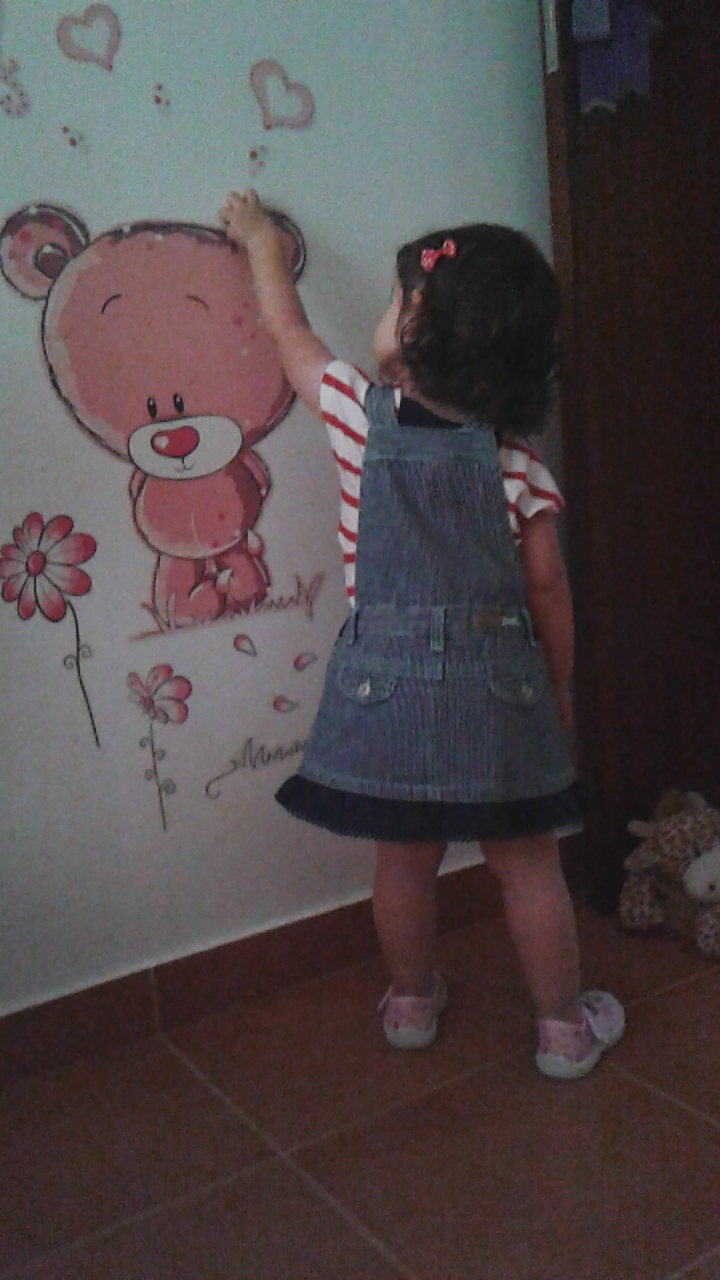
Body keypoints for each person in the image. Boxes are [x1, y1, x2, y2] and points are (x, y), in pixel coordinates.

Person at [218, 190, 625, 1079]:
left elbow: (290, 336)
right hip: (498, 689)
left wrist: (259, 246)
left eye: (397, 298)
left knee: (402, 863)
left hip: (384, 686)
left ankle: (409, 1003)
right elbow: (547, 585)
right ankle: (563, 1028)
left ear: (416, 333)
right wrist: (557, 684)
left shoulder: (355, 418)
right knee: (528, 865)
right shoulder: (516, 461)